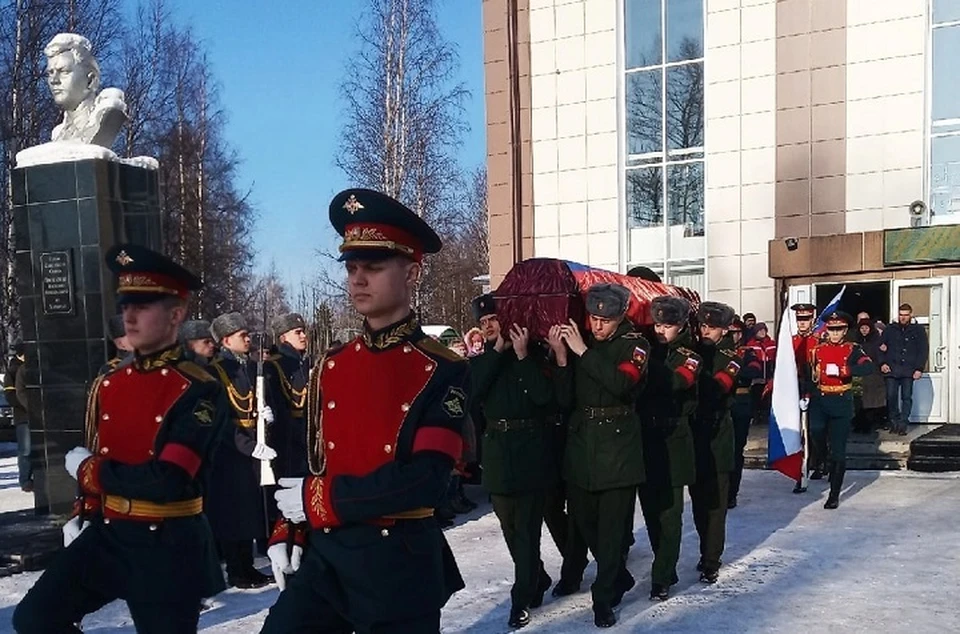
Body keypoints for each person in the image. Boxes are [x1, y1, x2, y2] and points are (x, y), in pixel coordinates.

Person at [261, 189, 468, 633]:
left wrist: (317, 504)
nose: (357, 279)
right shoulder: (332, 365)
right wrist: (290, 527)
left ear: (412, 272)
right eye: (352, 267)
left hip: (397, 564)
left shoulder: (441, 369)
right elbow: (315, 463)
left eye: (373, 267)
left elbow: (425, 482)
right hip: (328, 558)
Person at [13, 244, 228, 633]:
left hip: (167, 543)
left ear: (176, 314)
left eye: (143, 305)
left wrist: (91, 473)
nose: (129, 315)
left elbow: (168, 479)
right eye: (126, 303)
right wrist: (86, 508)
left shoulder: (199, 389)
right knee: (35, 618)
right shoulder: (110, 384)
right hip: (111, 534)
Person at [549, 283, 649, 627]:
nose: (598, 326)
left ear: (620, 317)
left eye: (605, 320)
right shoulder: (582, 345)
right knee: (585, 522)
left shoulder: (635, 345)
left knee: (610, 531)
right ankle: (618, 575)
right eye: (593, 318)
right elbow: (564, 400)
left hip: (618, 448)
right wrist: (563, 358)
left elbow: (622, 385)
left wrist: (581, 353)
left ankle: (603, 599)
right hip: (582, 447)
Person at [470, 293, 556, 629]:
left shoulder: (533, 355)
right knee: (509, 529)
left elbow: (544, 398)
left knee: (527, 533)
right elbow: (474, 392)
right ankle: (537, 577)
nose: (489, 326)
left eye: (493, 320)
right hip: (497, 454)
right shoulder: (482, 361)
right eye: (483, 323)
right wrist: (498, 352)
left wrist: (521, 357)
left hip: (531, 451)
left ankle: (520, 599)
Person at [637, 296, 700, 602]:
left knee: (670, 514)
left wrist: (647, 362)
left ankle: (661, 575)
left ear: (681, 326)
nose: (661, 330)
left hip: (674, 439)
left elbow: (678, 382)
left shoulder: (691, 355)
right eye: (657, 324)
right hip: (647, 439)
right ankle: (665, 564)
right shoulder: (646, 348)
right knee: (650, 511)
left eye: (668, 325)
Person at [207, 312, 276, 589]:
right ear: (226, 340)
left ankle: (246, 566)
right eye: (242, 336)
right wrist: (249, 446)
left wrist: (266, 418)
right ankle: (237, 569)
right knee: (233, 513)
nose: (248, 339)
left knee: (249, 511)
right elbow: (220, 420)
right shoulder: (216, 372)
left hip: (251, 446)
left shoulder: (247, 367)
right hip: (231, 451)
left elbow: (253, 403)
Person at [691, 301, 740, 584]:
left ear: (724, 330)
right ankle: (704, 551)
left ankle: (712, 560)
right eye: (703, 325)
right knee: (698, 502)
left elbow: (718, 387)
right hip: (696, 433)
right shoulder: (695, 352)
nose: (706, 331)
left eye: (712, 326)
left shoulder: (730, 356)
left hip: (718, 433)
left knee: (716, 504)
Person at [809, 312, 874, 509]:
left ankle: (834, 494)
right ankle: (822, 458)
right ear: (826, 330)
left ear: (845, 331)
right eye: (831, 329)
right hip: (820, 401)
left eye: (838, 329)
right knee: (816, 431)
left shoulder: (853, 349)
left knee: (838, 451)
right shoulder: (817, 351)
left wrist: (848, 370)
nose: (834, 333)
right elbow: (811, 375)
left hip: (841, 401)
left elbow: (868, 367)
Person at [264, 313, 311, 479]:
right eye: (298, 332)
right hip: (288, 443)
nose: (304, 336)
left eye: (303, 331)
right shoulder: (273, 365)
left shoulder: (305, 363)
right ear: (283, 337)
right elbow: (278, 408)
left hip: (307, 440)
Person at [878, 304, 928, 436]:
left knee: (906, 397)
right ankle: (894, 421)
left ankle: (903, 423)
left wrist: (919, 368)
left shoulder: (918, 330)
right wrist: (882, 363)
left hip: (908, 369)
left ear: (911, 315)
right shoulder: (890, 329)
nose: (903, 317)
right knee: (891, 396)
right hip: (891, 368)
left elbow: (923, 350)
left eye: (906, 315)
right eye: (901, 315)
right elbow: (880, 347)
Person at [790, 303, 820, 490]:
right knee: (799, 432)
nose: (802, 322)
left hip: (815, 390)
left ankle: (819, 461)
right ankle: (802, 471)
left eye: (805, 319)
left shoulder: (818, 340)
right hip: (796, 389)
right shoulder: (790, 340)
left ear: (812, 320)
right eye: (799, 319)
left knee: (815, 430)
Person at [727, 318, 753, 509]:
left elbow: (751, 372)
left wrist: (730, 370)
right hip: (722, 403)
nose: (732, 336)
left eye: (736, 332)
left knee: (737, 450)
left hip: (741, 402)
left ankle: (732, 492)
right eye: (729, 332)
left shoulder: (749, 353)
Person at [4, 343, 32, 492]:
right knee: (25, 449)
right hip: (22, 416)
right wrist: (26, 406)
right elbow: (10, 395)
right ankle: (25, 480)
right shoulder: (13, 370)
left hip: (31, 414)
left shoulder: (31, 366)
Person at [854, 318, 886, 433]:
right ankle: (860, 425)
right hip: (860, 376)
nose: (864, 330)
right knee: (860, 402)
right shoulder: (856, 342)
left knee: (873, 401)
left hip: (874, 374)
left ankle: (872, 424)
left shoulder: (876, 341)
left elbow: (879, 356)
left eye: (866, 328)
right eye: (862, 328)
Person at [744, 322, 776, 427]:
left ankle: (766, 415)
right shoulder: (751, 344)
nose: (762, 332)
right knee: (756, 396)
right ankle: (756, 416)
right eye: (759, 331)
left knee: (768, 397)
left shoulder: (772, 343)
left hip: (769, 374)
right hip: (757, 375)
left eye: (763, 330)